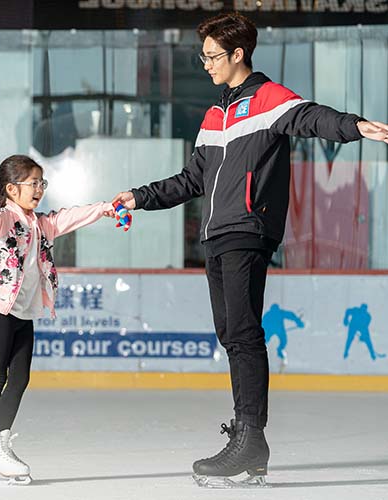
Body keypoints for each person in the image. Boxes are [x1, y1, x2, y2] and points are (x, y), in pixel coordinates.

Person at [112, 12, 388, 487]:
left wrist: (355, 125)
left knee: (243, 333)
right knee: (231, 334)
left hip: (248, 229)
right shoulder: (213, 116)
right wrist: (139, 197)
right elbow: (192, 180)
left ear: (238, 54)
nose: (206, 64)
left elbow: (311, 117)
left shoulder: (268, 99)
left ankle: (250, 437)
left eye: (212, 56)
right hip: (216, 235)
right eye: (203, 56)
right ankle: (250, 444)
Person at [0, 154, 115, 484]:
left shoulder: (42, 224)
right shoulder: (5, 218)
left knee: (20, 378)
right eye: (34, 183)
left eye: (42, 183)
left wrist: (106, 208)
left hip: (25, 311)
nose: (40, 189)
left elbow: (72, 216)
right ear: (12, 189)